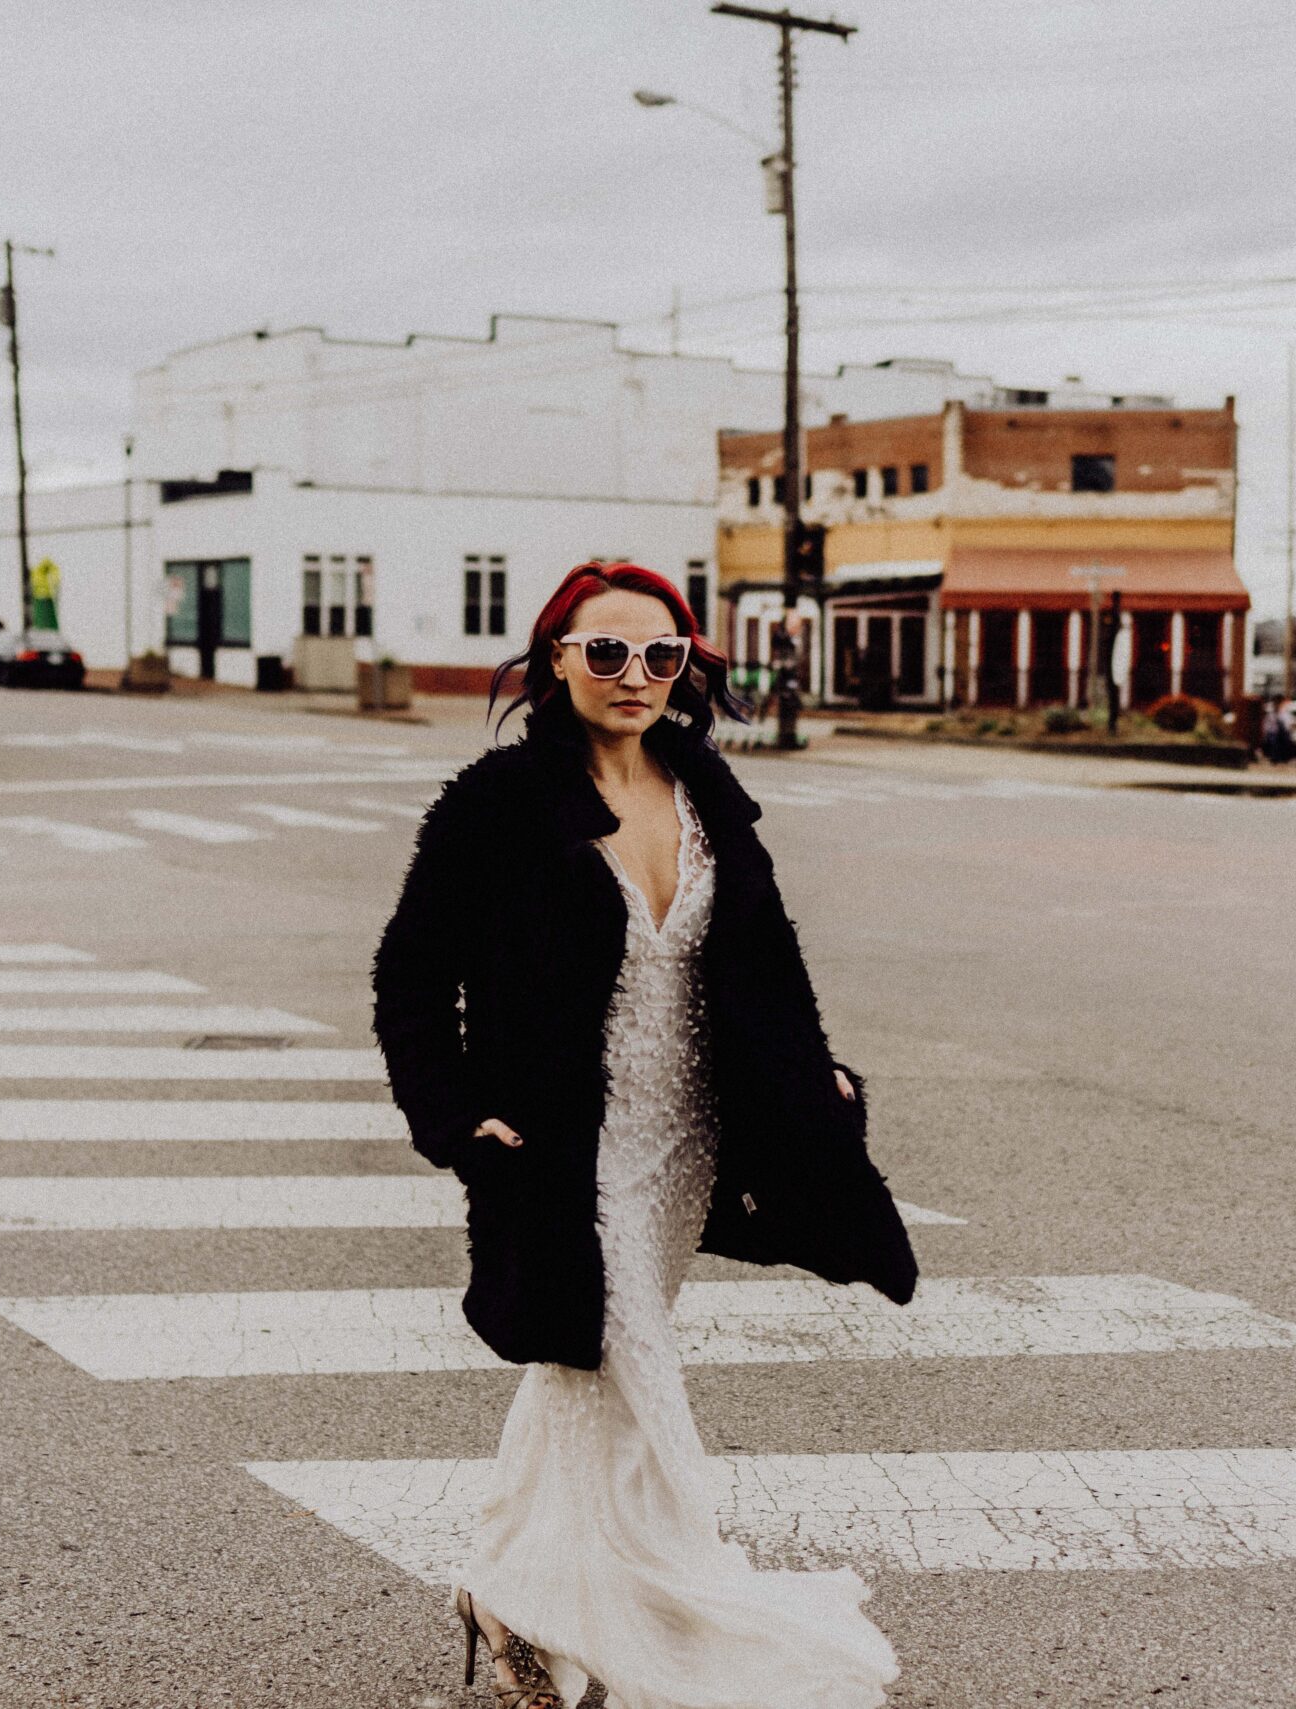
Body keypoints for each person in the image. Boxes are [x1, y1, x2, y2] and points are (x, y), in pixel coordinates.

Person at [373, 559, 914, 1709]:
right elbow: (411, 971)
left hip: (690, 1133)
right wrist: (451, 1109)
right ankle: (641, 1597)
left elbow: (765, 959)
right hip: (565, 1144)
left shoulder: (706, 789)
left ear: (688, 666)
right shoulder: (497, 805)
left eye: (660, 654)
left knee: (585, 1368)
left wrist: (809, 1075)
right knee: (628, 1365)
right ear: (554, 658)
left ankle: (507, 1595)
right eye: (606, 651)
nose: (634, 675)